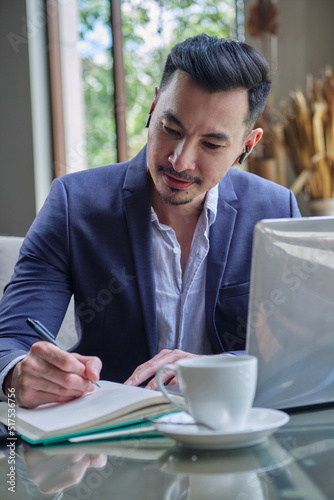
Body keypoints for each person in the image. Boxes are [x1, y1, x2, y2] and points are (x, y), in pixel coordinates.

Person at [0, 34, 300, 408]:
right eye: (171, 129)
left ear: (246, 146)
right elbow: (10, 341)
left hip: (232, 432)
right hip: (109, 442)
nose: (180, 160)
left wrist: (217, 367)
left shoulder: (275, 210)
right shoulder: (73, 203)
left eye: (210, 144)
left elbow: (301, 353)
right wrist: (17, 373)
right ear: (155, 104)